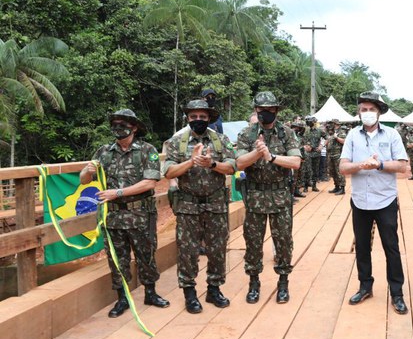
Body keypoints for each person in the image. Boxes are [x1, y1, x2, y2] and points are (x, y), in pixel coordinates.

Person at [81, 109, 169, 318]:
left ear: (134, 127)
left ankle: (151, 293)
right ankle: (122, 299)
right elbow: (84, 180)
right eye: (115, 124)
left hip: (140, 215)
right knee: (116, 259)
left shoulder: (147, 150)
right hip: (112, 217)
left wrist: (117, 193)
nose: (118, 128)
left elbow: (149, 182)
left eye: (123, 124)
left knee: (146, 254)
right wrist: (87, 171)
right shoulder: (104, 151)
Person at [163, 99, 237, 314]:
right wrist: (191, 162)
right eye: (194, 117)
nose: (198, 120)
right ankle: (189, 293)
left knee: (217, 249)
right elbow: (168, 171)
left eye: (202, 117)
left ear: (209, 119)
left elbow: (232, 167)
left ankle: (214, 289)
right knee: (187, 250)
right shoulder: (177, 142)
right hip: (188, 205)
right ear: (188, 118)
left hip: (215, 204)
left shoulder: (221, 140)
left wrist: (212, 164)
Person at [340, 91, 409, 315]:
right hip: (360, 200)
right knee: (361, 246)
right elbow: (343, 167)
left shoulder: (391, 135)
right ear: (359, 112)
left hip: (385, 199)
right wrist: (361, 165)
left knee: (391, 247)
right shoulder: (352, 136)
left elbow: (402, 165)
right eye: (363, 110)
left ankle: (397, 293)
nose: (367, 113)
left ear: (379, 112)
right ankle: (365, 286)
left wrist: (379, 166)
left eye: (371, 110)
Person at [236, 91, 302, 304]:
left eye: (271, 109)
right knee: (253, 242)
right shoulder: (247, 134)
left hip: (280, 197)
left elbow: (295, 162)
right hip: (255, 196)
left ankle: (283, 283)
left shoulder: (287, 133)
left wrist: (271, 157)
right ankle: (254, 283)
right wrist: (257, 153)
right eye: (262, 110)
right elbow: (238, 163)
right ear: (256, 110)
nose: (267, 113)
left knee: (283, 241)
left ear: (276, 110)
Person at [326, 119, 347, 195]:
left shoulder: (341, 132)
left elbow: (344, 141)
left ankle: (342, 188)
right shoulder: (332, 132)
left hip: (338, 155)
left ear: (336, 124)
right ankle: (337, 186)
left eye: (333, 124)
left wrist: (336, 137)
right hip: (331, 155)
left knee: (339, 172)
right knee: (333, 172)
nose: (332, 125)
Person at [304, 116, 324, 190]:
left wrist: (322, 145)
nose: (309, 123)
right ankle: (306, 186)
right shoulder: (305, 130)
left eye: (311, 121)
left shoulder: (319, 131)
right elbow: (300, 138)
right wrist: (304, 146)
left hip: (316, 153)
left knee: (315, 169)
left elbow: (327, 137)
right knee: (307, 169)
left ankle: (314, 186)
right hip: (308, 153)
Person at [289, 120, 307, 200]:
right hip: (293, 159)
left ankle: (296, 191)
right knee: (293, 177)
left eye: (297, 128)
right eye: (294, 127)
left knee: (299, 176)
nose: (296, 129)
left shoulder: (299, 137)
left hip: (301, 158)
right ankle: (291, 195)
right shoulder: (290, 137)